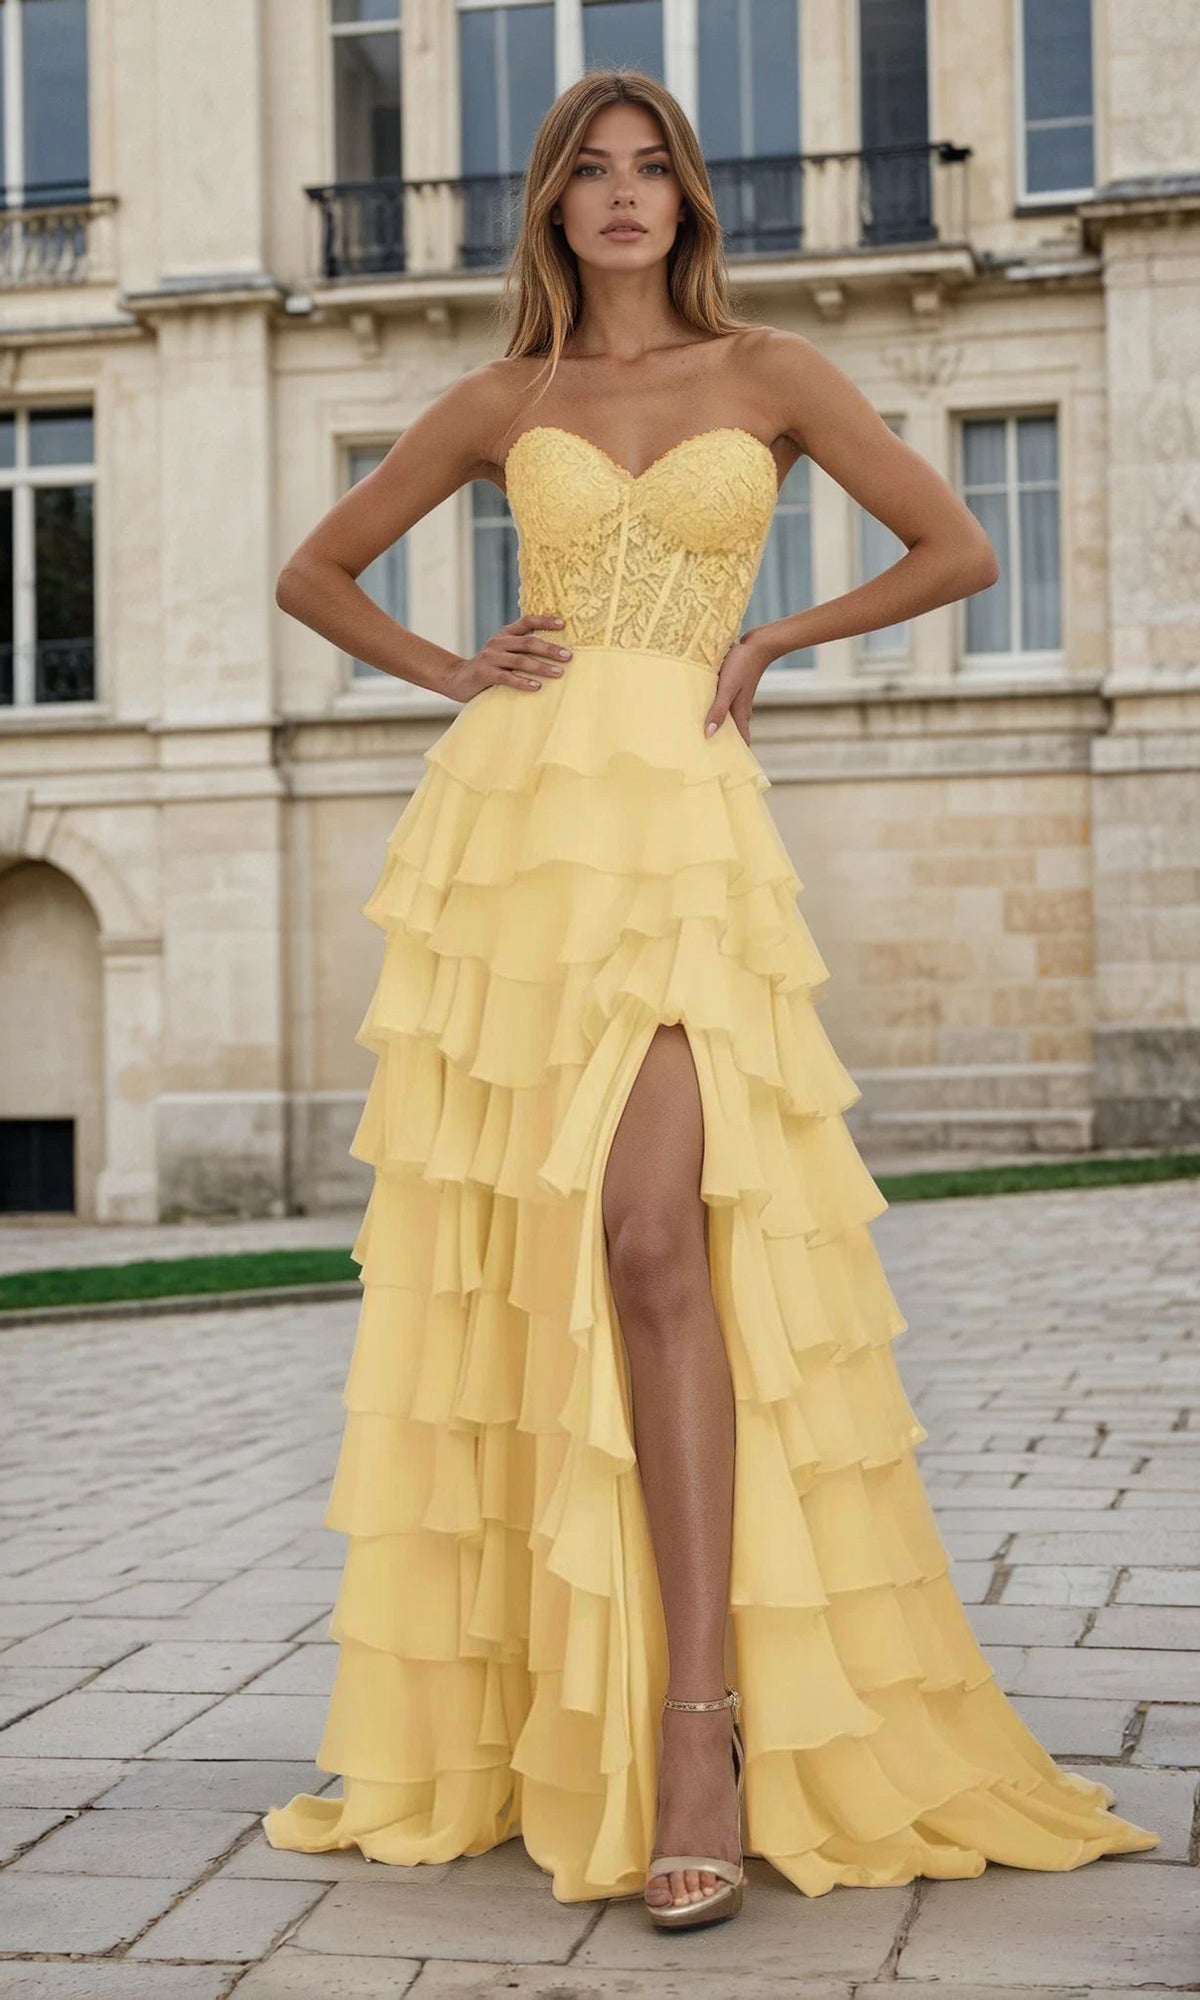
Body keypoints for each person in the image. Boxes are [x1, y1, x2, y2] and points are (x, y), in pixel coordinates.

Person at [261, 69, 1158, 1931]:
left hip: (685, 814)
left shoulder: (775, 372)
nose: (621, 196)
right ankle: (563, 1710)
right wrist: (455, 665)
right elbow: (314, 570)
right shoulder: (510, 401)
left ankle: (698, 1730)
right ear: (551, 205)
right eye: (588, 171)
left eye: (649, 168)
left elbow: (960, 548)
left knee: (657, 1234)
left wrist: (773, 636)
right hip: (520, 835)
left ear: (686, 198)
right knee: (547, 1256)